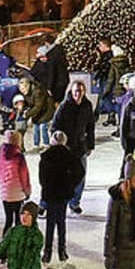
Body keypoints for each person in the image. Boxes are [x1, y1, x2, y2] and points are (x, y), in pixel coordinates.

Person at [52, 81, 98, 214]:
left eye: (80, 91)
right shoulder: (64, 106)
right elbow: (55, 126)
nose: (78, 94)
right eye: (76, 91)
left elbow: (90, 126)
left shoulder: (87, 106)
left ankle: (75, 202)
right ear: (71, 92)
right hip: (66, 148)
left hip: (80, 147)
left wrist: (90, 144)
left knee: (80, 176)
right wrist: (58, 142)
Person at [38, 130, 84, 263]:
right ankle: (62, 251)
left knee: (50, 224)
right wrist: (71, 184)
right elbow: (80, 172)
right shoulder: (70, 156)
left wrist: (46, 187)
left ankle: (47, 252)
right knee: (61, 223)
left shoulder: (46, 156)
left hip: (50, 193)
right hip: (63, 193)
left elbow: (42, 177)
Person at [0, 129, 33, 230]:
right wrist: (27, 191)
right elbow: (24, 176)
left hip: (5, 192)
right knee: (18, 219)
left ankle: (5, 241)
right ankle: (18, 241)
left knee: (8, 220)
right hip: (18, 193)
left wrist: (2, 184)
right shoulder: (19, 157)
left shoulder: (2, 155)